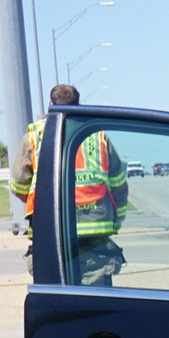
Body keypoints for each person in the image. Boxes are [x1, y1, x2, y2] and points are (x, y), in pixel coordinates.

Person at [10, 84, 128, 286]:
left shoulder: (35, 135)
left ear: (51, 105)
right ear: (78, 105)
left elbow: (19, 185)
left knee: (55, 293)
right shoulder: (97, 136)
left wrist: (41, 203)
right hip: (95, 231)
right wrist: (117, 219)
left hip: (50, 228)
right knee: (97, 296)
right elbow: (119, 185)